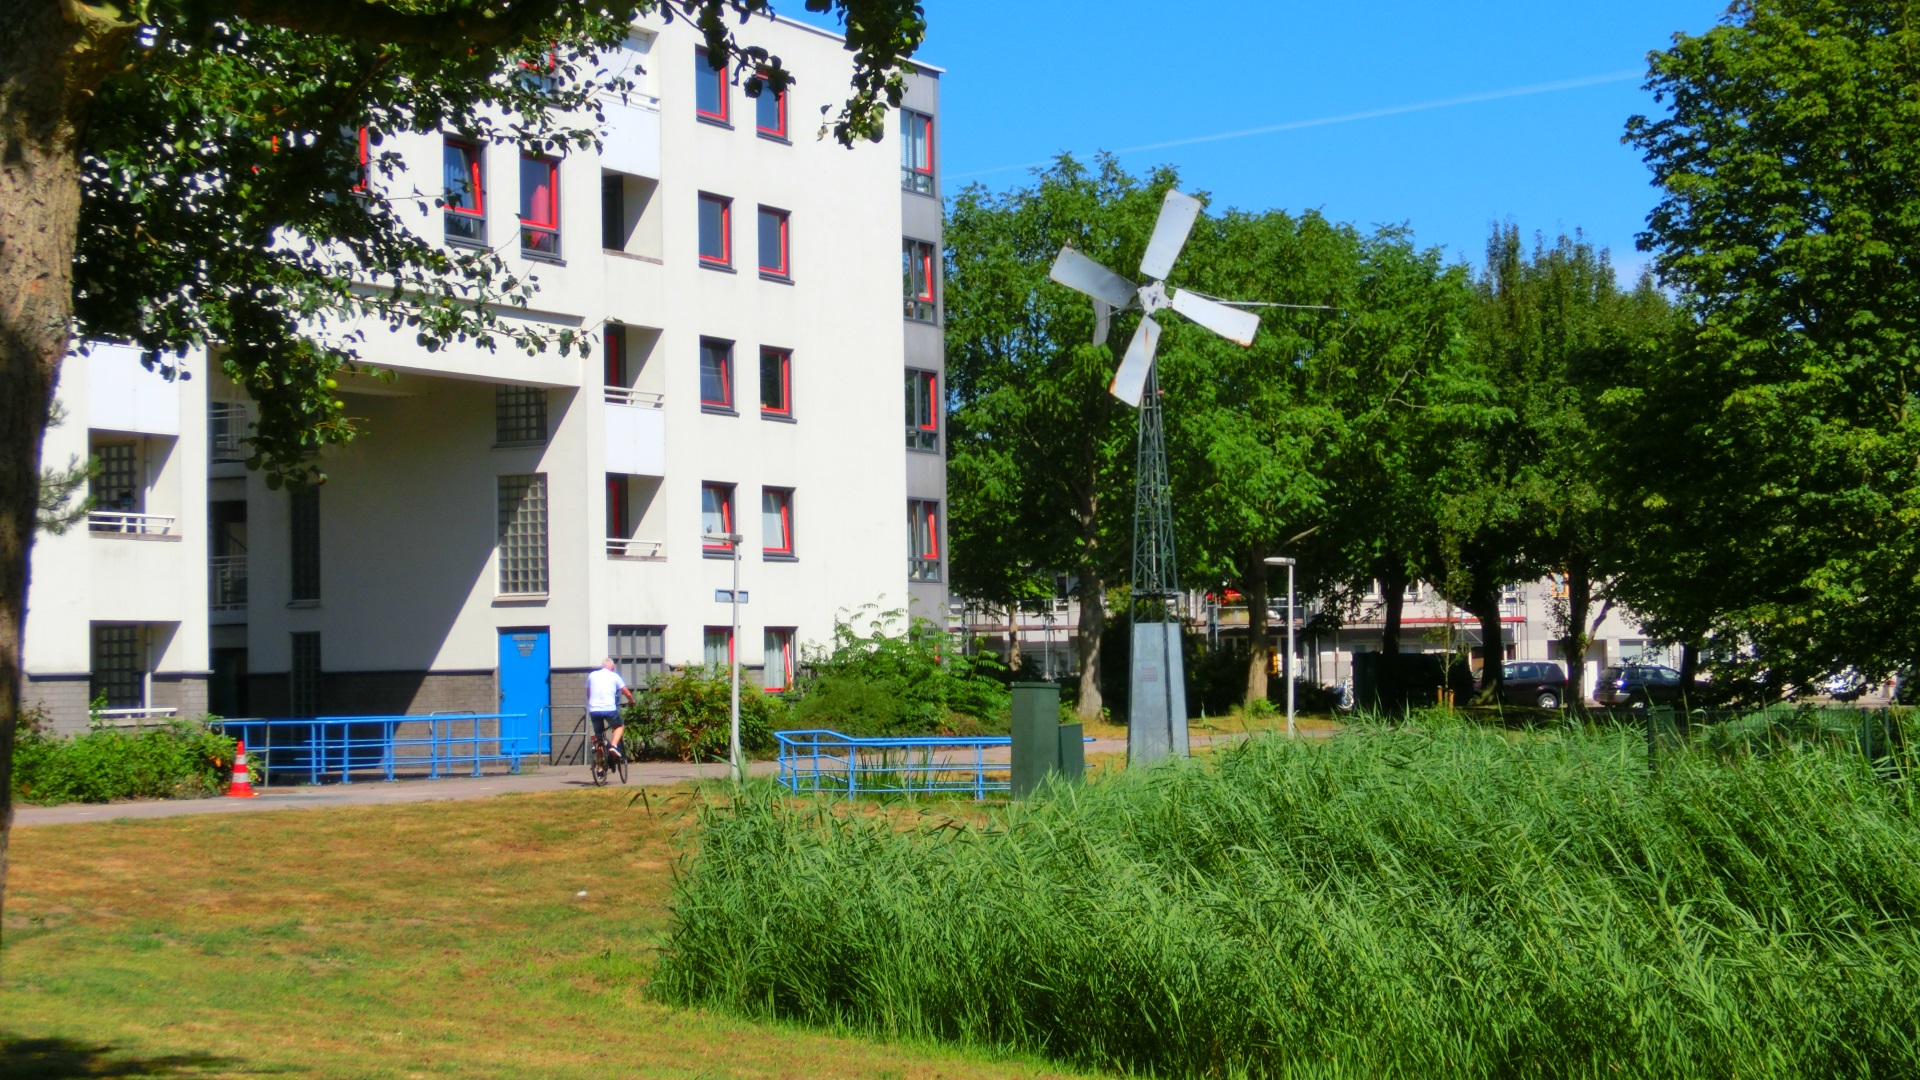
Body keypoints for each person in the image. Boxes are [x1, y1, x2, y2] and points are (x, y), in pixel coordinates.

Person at [586, 658, 635, 760]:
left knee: (599, 737)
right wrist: (631, 701)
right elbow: (627, 692)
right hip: (609, 709)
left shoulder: (592, 675)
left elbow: (588, 693)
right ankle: (613, 746)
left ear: (602, 666)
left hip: (594, 710)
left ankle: (599, 767)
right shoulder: (614, 676)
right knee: (619, 726)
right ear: (612, 667)